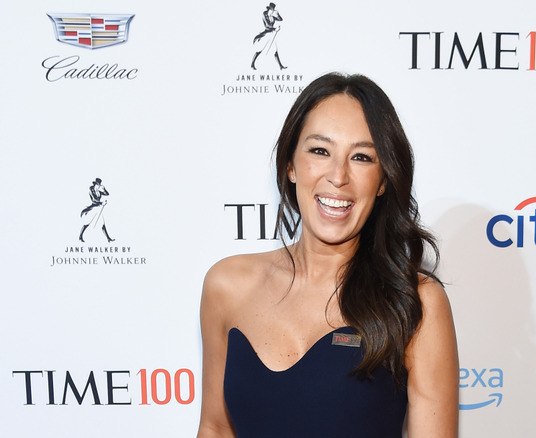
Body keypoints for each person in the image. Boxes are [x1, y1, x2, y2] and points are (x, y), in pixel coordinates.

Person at [196, 73, 458, 438]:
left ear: (383, 181)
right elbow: (216, 427)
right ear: (290, 165)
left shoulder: (414, 301)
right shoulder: (227, 285)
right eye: (320, 150)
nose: (338, 176)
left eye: (362, 157)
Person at [250, 3, 287, 70]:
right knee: (259, 49)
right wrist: (275, 29)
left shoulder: (272, 15)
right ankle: (252, 64)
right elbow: (267, 25)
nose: (272, 11)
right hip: (266, 33)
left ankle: (280, 66)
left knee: (275, 50)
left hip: (272, 34)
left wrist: (277, 14)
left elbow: (281, 19)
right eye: (272, 10)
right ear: (269, 9)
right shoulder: (264, 14)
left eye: (273, 10)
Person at [79, 178, 115, 243]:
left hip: (99, 208)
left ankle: (108, 238)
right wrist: (101, 203)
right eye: (98, 184)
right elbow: (94, 200)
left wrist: (104, 189)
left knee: (102, 224)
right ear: (95, 184)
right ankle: (80, 236)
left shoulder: (99, 190)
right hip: (93, 207)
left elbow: (107, 194)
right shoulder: (91, 189)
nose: (99, 186)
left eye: (99, 185)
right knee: (87, 222)